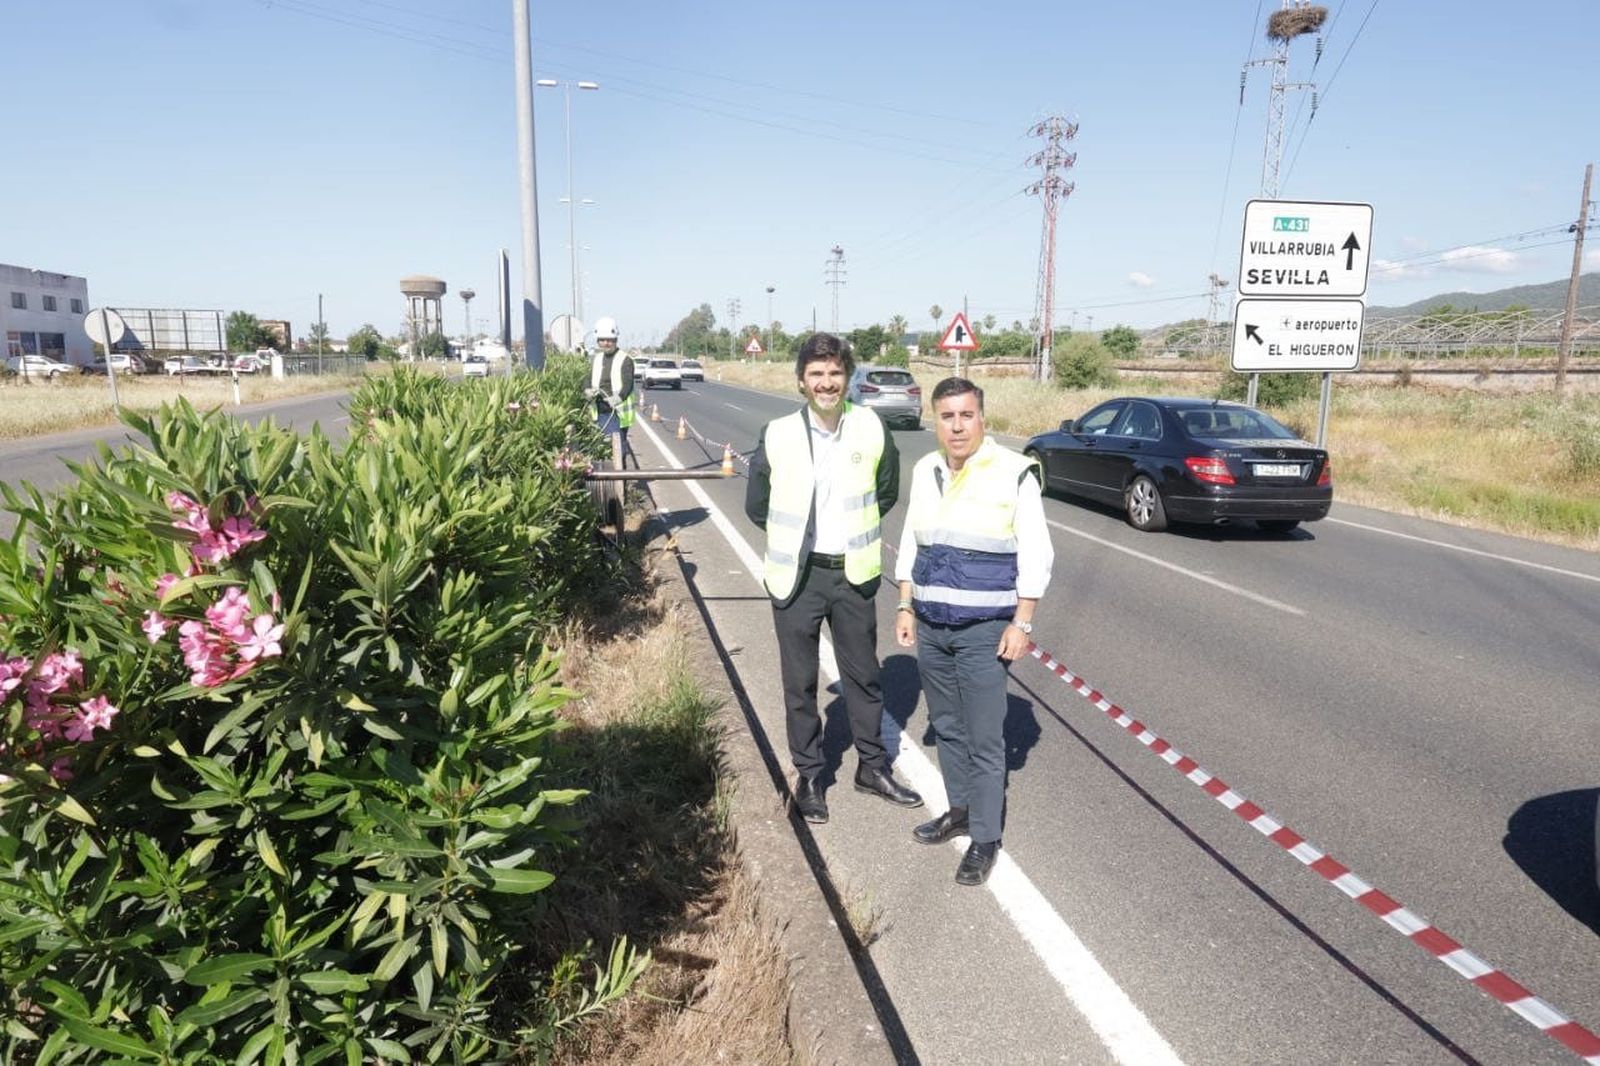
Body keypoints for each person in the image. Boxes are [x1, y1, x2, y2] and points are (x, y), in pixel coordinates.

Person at [745, 333, 922, 824]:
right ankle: (810, 775)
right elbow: (757, 505)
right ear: (802, 380)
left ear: (848, 378)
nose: (826, 383)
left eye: (835, 373)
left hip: (853, 574)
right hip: (796, 579)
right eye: (817, 374)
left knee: (864, 677)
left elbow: (885, 493)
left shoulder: (871, 427)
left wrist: (849, 537)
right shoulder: (778, 433)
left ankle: (872, 767)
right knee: (799, 683)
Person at [894, 376, 1053, 886]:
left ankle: (985, 838)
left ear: (982, 417)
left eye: (966, 415)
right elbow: (911, 540)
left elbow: (1037, 551)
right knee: (949, 728)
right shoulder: (925, 469)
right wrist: (904, 605)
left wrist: (1022, 621)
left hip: (985, 628)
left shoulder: (1013, 471)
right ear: (936, 420)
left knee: (985, 739)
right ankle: (958, 811)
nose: (957, 426)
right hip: (933, 624)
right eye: (947, 416)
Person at [587, 316, 637, 467]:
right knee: (602, 447)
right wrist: (586, 390)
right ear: (597, 340)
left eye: (609, 339)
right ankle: (611, 480)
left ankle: (620, 482)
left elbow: (628, 384)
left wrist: (618, 397)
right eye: (602, 339)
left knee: (617, 449)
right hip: (600, 410)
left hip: (617, 413)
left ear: (615, 339)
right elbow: (587, 378)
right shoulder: (596, 359)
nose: (606, 343)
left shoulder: (625, 360)